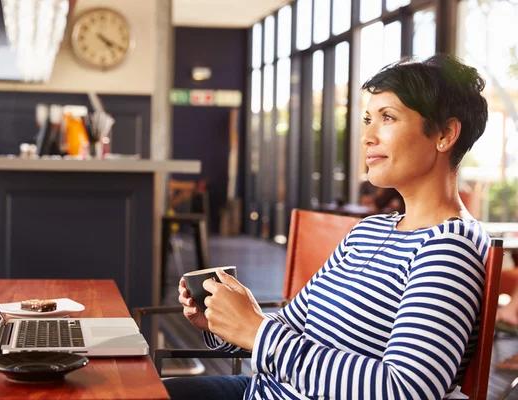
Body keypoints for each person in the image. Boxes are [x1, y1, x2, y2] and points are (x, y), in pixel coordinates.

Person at [168, 54, 490, 400]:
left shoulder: (449, 248)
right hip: (262, 390)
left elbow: (405, 388)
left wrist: (256, 331)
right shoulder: (369, 231)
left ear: (445, 134)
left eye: (388, 118)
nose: (367, 136)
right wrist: (226, 320)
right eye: (368, 119)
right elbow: (293, 325)